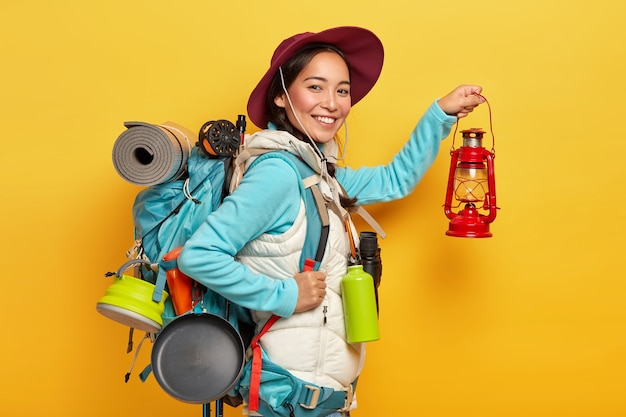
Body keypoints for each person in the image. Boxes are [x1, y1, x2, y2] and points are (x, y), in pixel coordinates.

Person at [178, 26, 484, 416]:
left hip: (322, 399)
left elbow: (396, 179)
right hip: (289, 398)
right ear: (281, 96)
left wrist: (439, 114)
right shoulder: (278, 175)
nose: (332, 103)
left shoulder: (322, 177)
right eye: (316, 87)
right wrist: (286, 296)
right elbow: (199, 256)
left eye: (342, 90)